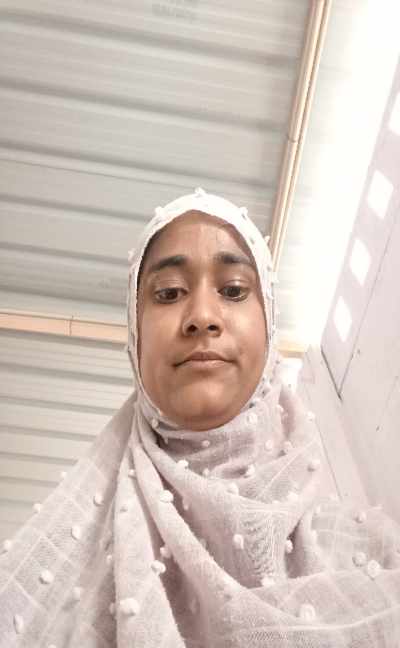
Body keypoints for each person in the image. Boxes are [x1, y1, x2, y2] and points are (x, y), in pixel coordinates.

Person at [1, 188, 400, 647]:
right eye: (169, 293)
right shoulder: (47, 582)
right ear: (135, 337)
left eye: (233, 290)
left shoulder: (374, 556)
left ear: (269, 326)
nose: (203, 317)